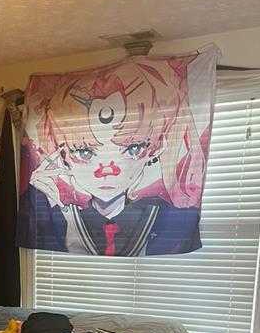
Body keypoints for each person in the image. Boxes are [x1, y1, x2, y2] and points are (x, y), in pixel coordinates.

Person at [17, 54, 211, 256]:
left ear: (157, 147)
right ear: (61, 153)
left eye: (133, 148)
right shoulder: (47, 207)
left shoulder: (173, 215)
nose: (107, 170)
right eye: (84, 152)